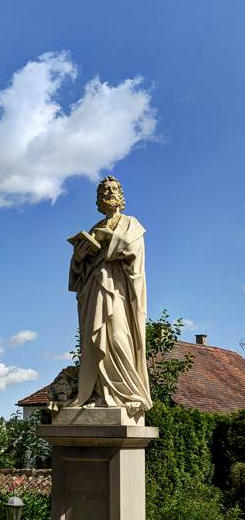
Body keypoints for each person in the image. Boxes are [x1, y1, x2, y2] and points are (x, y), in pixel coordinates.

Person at [68, 175, 152, 413]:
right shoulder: (94, 228)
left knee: (117, 336)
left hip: (118, 290)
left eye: (112, 189)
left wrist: (111, 239)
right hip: (94, 288)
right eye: (103, 191)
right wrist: (79, 256)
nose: (108, 194)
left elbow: (134, 251)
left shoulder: (131, 224)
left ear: (120, 196)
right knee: (94, 341)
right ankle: (98, 393)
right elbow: (77, 273)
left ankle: (127, 393)